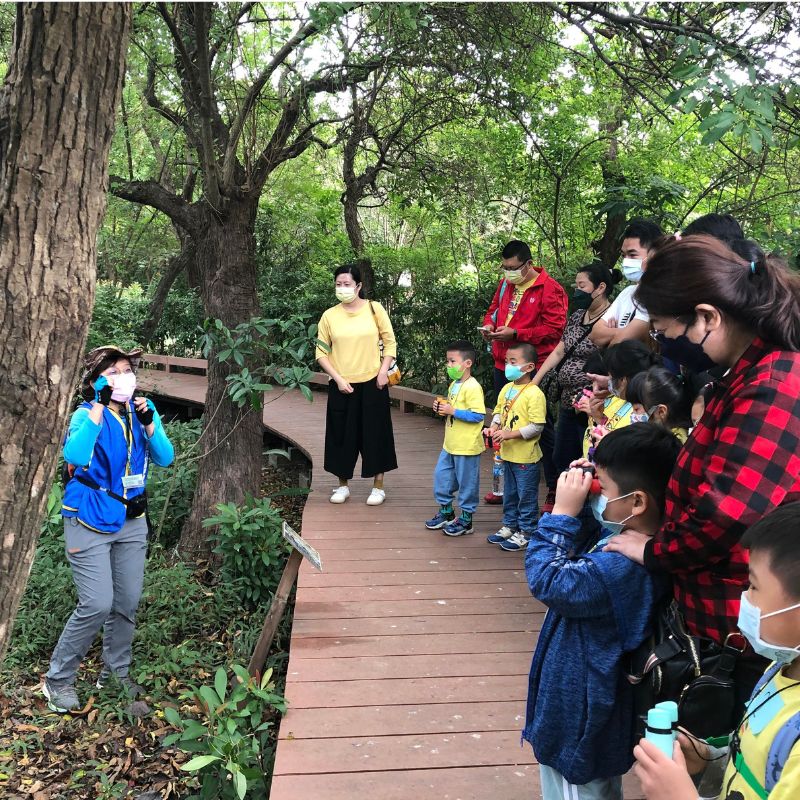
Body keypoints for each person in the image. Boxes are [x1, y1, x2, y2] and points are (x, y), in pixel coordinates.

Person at [604, 234, 800, 709]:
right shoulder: (745, 374)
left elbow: (729, 513)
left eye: (673, 333)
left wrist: (653, 551)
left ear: (709, 317)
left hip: (740, 635)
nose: (672, 346)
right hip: (710, 616)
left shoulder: (773, 384)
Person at [524, 424, 680, 800]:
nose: (597, 493)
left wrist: (562, 512)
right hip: (588, 711)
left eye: (604, 488)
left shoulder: (625, 567)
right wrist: (591, 502)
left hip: (580, 720)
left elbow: (549, 578)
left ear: (637, 501)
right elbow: (581, 555)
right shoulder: (633, 539)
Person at [633, 502, 800, 800]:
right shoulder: (782, 666)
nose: (745, 598)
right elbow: (764, 764)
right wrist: (712, 756)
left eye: (753, 586)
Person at [43, 346, 174, 713]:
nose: (123, 377)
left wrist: (150, 424)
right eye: (113, 372)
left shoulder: (141, 412)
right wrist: (99, 407)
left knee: (126, 602)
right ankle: (58, 680)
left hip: (131, 520)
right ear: (95, 380)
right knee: (97, 603)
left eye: (127, 370)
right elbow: (76, 456)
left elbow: (165, 457)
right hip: (89, 517)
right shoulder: (86, 415)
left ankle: (115, 673)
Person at [480, 239, 568, 504]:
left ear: (528, 264)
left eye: (513, 267)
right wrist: (489, 328)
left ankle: (554, 490)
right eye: (505, 267)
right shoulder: (506, 284)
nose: (508, 272)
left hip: (533, 367)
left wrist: (517, 333)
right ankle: (504, 487)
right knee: (504, 420)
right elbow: (493, 310)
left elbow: (555, 330)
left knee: (541, 427)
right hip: (503, 363)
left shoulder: (549, 289)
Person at [532, 260, 622, 511]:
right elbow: (560, 350)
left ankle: (578, 512)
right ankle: (564, 503)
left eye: (582, 285)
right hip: (567, 399)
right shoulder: (576, 317)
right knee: (562, 454)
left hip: (592, 402)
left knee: (585, 457)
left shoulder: (611, 320)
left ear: (600, 287)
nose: (576, 290)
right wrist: (535, 381)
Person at [316, 264, 398, 506]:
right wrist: (338, 379)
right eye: (338, 284)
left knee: (376, 433)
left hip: (374, 382)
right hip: (342, 384)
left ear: (359, 286)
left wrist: (383, 372)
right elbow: (321, 352)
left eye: (347, 284)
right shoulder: (329, 316)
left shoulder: (375, 309)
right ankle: (342, 486)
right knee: (341, 434)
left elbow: (390, 342)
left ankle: (378, 486)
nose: (343, 289)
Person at [485, 342, 547, 552]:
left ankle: (527, 531)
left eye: (513, 362)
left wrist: (509, 434)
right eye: (506, 361)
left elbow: (537, 426)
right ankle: (510, 525)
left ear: (529, 367)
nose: (508, 366)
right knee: (509, 493)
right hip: (507, 454)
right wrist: (493, 427)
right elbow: (498, 412)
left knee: (526, 495)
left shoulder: (534, 393)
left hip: (526, 458)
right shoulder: (506, 389)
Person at [425, 340, 486, 537]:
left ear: (467, 363)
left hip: (467, 446)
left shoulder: (473, 387)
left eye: (452, 361)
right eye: (448, 361)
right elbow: (452, 409)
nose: (448, 365)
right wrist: (443, 409)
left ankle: (466, 520)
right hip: (449, 444)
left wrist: (454, 411)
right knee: (442, 478)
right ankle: (447, 512)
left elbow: (478, 415)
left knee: (467, 483)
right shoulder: (454, 384)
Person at [580, 342, 659, 458]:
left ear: (623, 380)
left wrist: (607, 442)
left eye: (611, 377)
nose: (609, 382)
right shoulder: (615, 399)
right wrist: (599, 419)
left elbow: (631, 457)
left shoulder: (646, 412)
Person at [593, 219, 663, 347]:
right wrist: (624, 333)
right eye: (624, 255)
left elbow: (619, 343)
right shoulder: (628, 292)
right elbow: (595, 334)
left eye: (632, 254)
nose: (626, 261)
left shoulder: (660, 294)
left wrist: (611, 335)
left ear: (654, 255)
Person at [626, 367, 693, 442]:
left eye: (636, 409)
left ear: (661, 411)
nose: (632, 414)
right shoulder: (668, 435)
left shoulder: (672, 444)